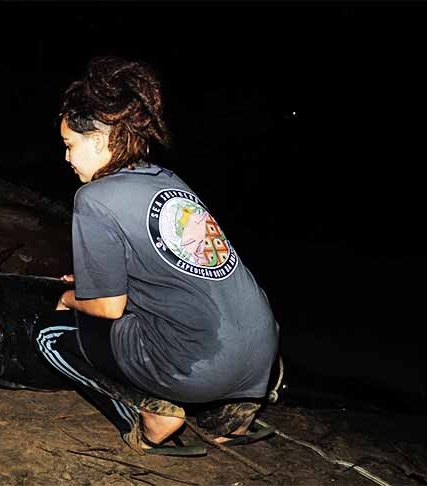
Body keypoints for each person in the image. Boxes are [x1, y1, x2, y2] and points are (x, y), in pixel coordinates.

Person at [34, 56, 280, 455]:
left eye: (69, 145)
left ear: (97, 140)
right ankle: (226, 417)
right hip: (261, 352)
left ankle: (150, 420)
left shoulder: (94, 198)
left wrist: (69, 298)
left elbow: (110, 309)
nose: (66, 158)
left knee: (51, 336)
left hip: (199, 364)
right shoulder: (168, 181)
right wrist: (92, 282)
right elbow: (179, 263)